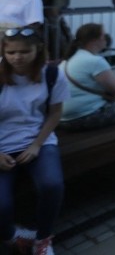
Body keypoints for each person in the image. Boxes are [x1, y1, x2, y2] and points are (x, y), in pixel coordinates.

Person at [0, 26, 70, 255]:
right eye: (11, 53)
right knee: (3, 204)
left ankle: (42, 240)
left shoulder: (51, 74)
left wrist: (36, 145)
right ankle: (13, 237)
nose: (17, 58)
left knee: (52, 184)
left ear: (37, 50)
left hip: (37, 138)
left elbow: (55, 112)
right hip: (2, 145)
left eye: (24, 52)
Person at [58, 23, 115, 131]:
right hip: (83, 116)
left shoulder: (68, 59)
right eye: (103, 35)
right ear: (94, 40)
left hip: (62, 118)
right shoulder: (95, 61)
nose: (105, 38)